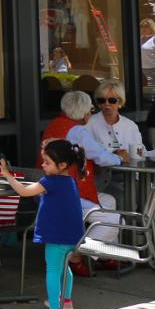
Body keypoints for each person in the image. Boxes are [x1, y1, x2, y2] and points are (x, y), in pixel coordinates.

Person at [0, 139, 86, 309]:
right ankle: (67, 302)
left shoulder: (50, 181)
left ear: (62, 165)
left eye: (47, 162)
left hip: (57, 236)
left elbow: (24, 191)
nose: (43, 165)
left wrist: (7, 174)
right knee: (65, 268)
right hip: (73, 236)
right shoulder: (70, 180)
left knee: (53, 270)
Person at [41, 90, 122, 271]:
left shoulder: (54, 124)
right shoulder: (77, 131)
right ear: (85, 113)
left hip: (47, 192)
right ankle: (74, 256)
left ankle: (104, 255)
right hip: (66, 196)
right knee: (115, 219)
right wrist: (120, 159)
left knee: (109, 201)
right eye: (91, 110)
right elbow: (101, 156)